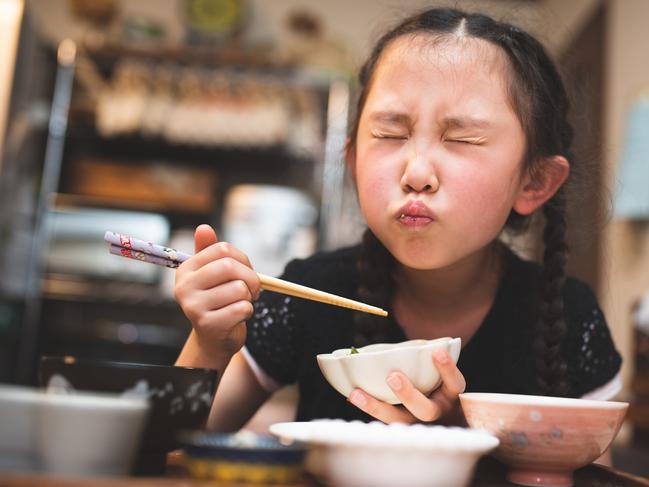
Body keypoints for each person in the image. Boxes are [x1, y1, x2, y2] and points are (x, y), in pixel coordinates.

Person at [174, 7, 622, 432]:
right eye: (390, 134)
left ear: (535, 182)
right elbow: (166, 447)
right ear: (353, 161)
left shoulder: (568, 316)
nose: (417, 175)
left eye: (462, 138)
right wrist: (210, 344)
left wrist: (461, 437)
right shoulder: (308, 293)